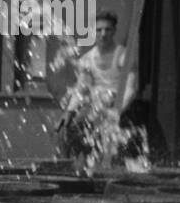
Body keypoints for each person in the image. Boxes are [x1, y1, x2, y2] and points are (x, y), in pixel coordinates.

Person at [59, 10, 138, 167]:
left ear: (114, 31)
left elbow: (131, 89)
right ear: (93, 31)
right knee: (70, 128)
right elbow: (81, 89)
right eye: (99, 30)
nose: (103, 34)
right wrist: (69, 111)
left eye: (107, 30)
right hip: (95, 108)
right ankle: (76, 167)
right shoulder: (87, 59)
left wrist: (117, 111)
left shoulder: (123, 56)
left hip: (119, 107)